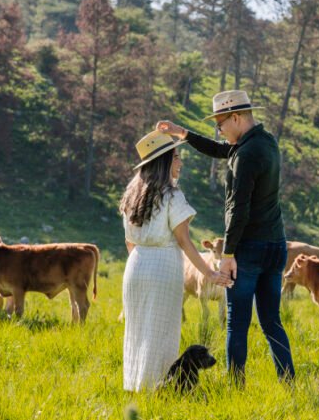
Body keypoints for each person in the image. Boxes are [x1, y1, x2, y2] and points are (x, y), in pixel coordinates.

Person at [157, 90, 295, 385]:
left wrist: (229, 254)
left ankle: (235, 385)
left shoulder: (245, 155)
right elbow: (222, 150)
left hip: (249, 248)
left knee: (237, 321)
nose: (218, 130)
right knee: (272, 321)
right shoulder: (266, 143)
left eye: (220, 124)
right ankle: (289, 382)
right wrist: (183, 133)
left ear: (235, 118)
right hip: (276, 245)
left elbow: (237, 208)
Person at [120, 130, 232, 392]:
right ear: (164, 162)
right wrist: (210, 273)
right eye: (177, 157)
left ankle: (136, 387)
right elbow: (184, 240)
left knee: (136, 331)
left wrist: (142, 264)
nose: (180, 162)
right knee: (161, 333)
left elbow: (129, 242)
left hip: (135, 266)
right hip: (164, 267)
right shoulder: (171, 195)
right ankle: (158, 389)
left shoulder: (131, 196)